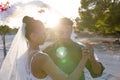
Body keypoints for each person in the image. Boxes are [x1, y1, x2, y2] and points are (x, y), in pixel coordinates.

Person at [0, 16, 92, 80]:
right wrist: (84, 59)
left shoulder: (21, 58)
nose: (46, 35)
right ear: (33, 36)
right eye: (43, 33)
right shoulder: (41, 57)